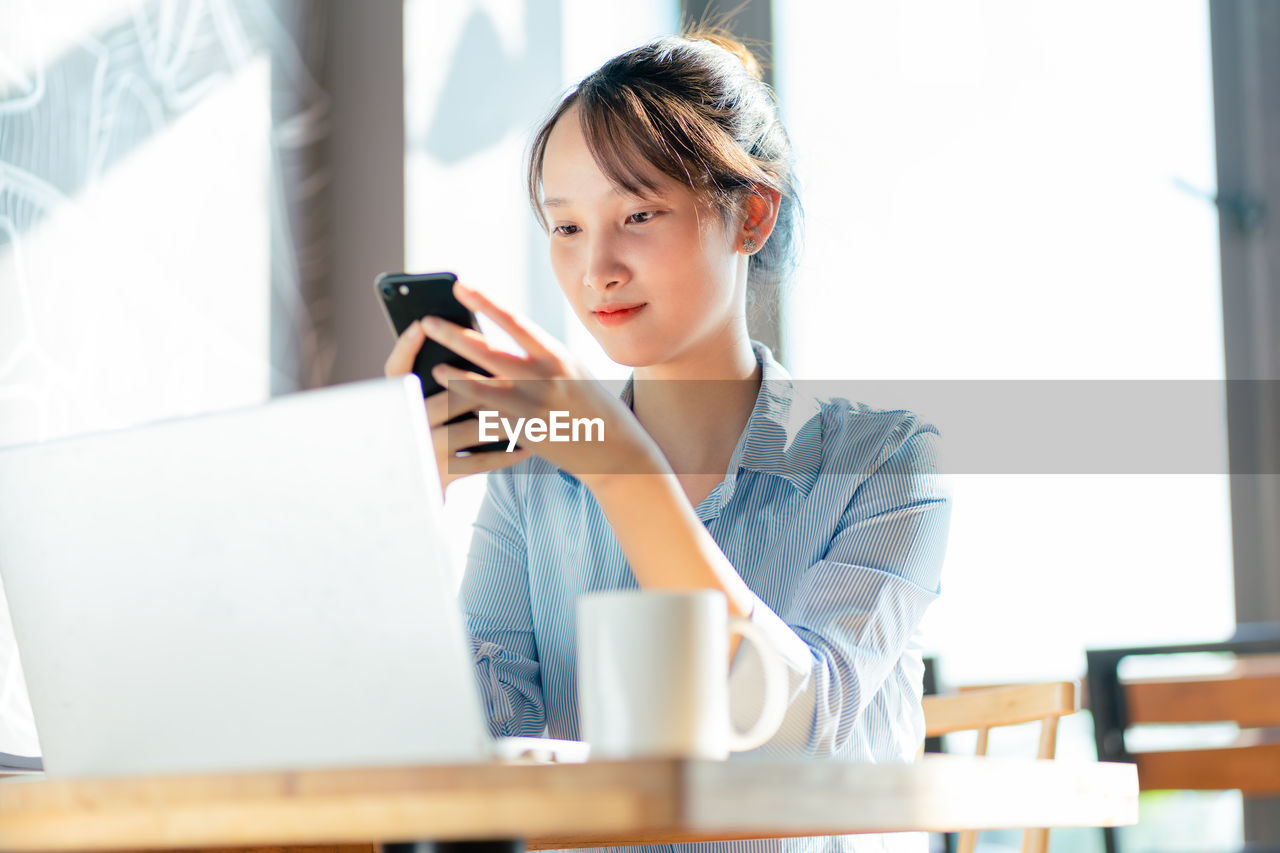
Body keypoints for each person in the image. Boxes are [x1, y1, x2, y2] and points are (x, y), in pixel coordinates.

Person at [385, 29, 951, 853]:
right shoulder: (534, 476)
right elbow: (482, 746)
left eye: (638, 214)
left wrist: (624, 470)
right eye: (566, 227)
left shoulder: (885, 461)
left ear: (751, 214)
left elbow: (794, 732)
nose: (596, 268)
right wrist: (405, 516)